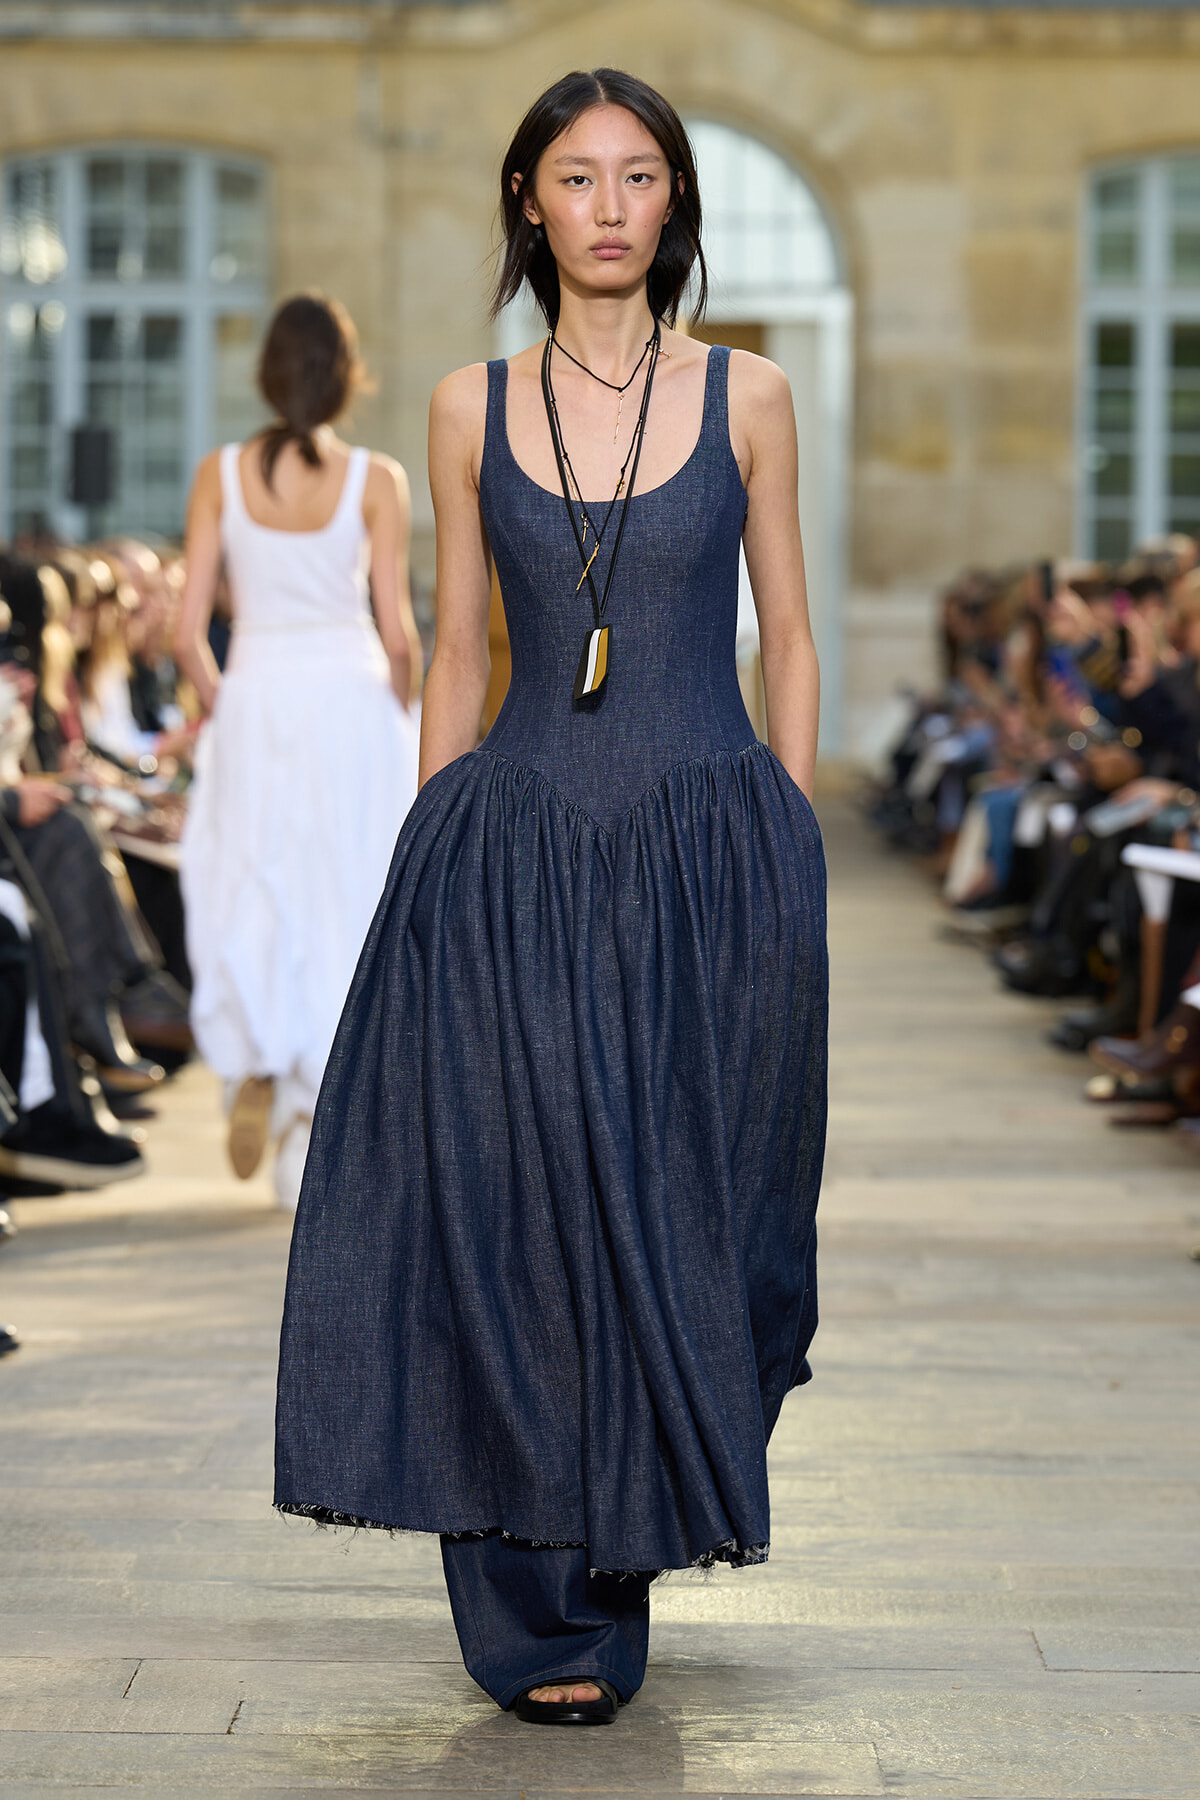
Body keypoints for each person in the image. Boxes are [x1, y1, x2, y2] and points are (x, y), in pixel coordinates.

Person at [275, 71, 827, 1724]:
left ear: (675, 204)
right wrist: (422, 852)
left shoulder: (752, 398)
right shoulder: (463, 407)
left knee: (698, 1222)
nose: (607, 203)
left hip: (709, 851)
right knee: (507, 1217)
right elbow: (456, 647)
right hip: (510, 852)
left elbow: (786, 627)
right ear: (528, 201)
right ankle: (554, 1613)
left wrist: (789, 838)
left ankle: (633, 1526)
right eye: (574, 176)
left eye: (638, 175)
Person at [175, 294, 422, 1208]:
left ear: (266, 374)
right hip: (353, 700)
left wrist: (224, 705)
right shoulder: (375, 479)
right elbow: (398, 632)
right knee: (348, 901)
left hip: (260, 697)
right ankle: (316, 1120)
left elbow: (185, 628)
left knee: (255, 885)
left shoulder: (220, 475)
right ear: (348, 375)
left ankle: (265, 1069)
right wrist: (402, 716)